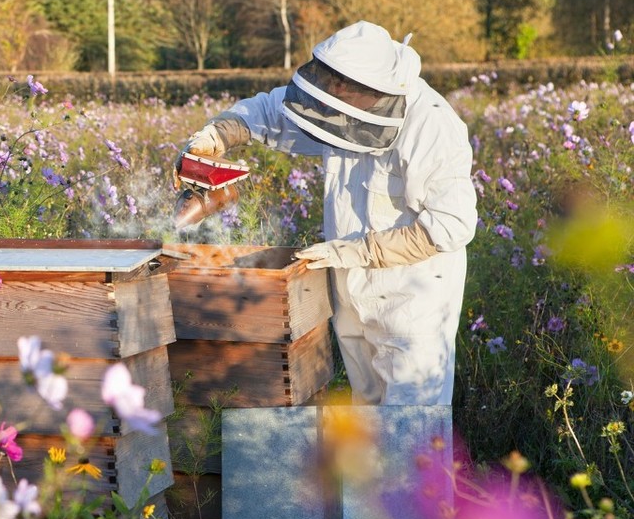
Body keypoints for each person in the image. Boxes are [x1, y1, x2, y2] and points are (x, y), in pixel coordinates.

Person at [179, 21, 476, 406]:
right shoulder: (338, 103)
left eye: (340, 88)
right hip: (351, 292)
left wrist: (355, 252)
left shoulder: (431, 123)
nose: (331, 94)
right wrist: (216, 135)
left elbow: (450, 226)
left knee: (412, 427)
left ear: (373, 90)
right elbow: (272, 111)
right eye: (328, 84)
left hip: (412, 300)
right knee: (367, 411)